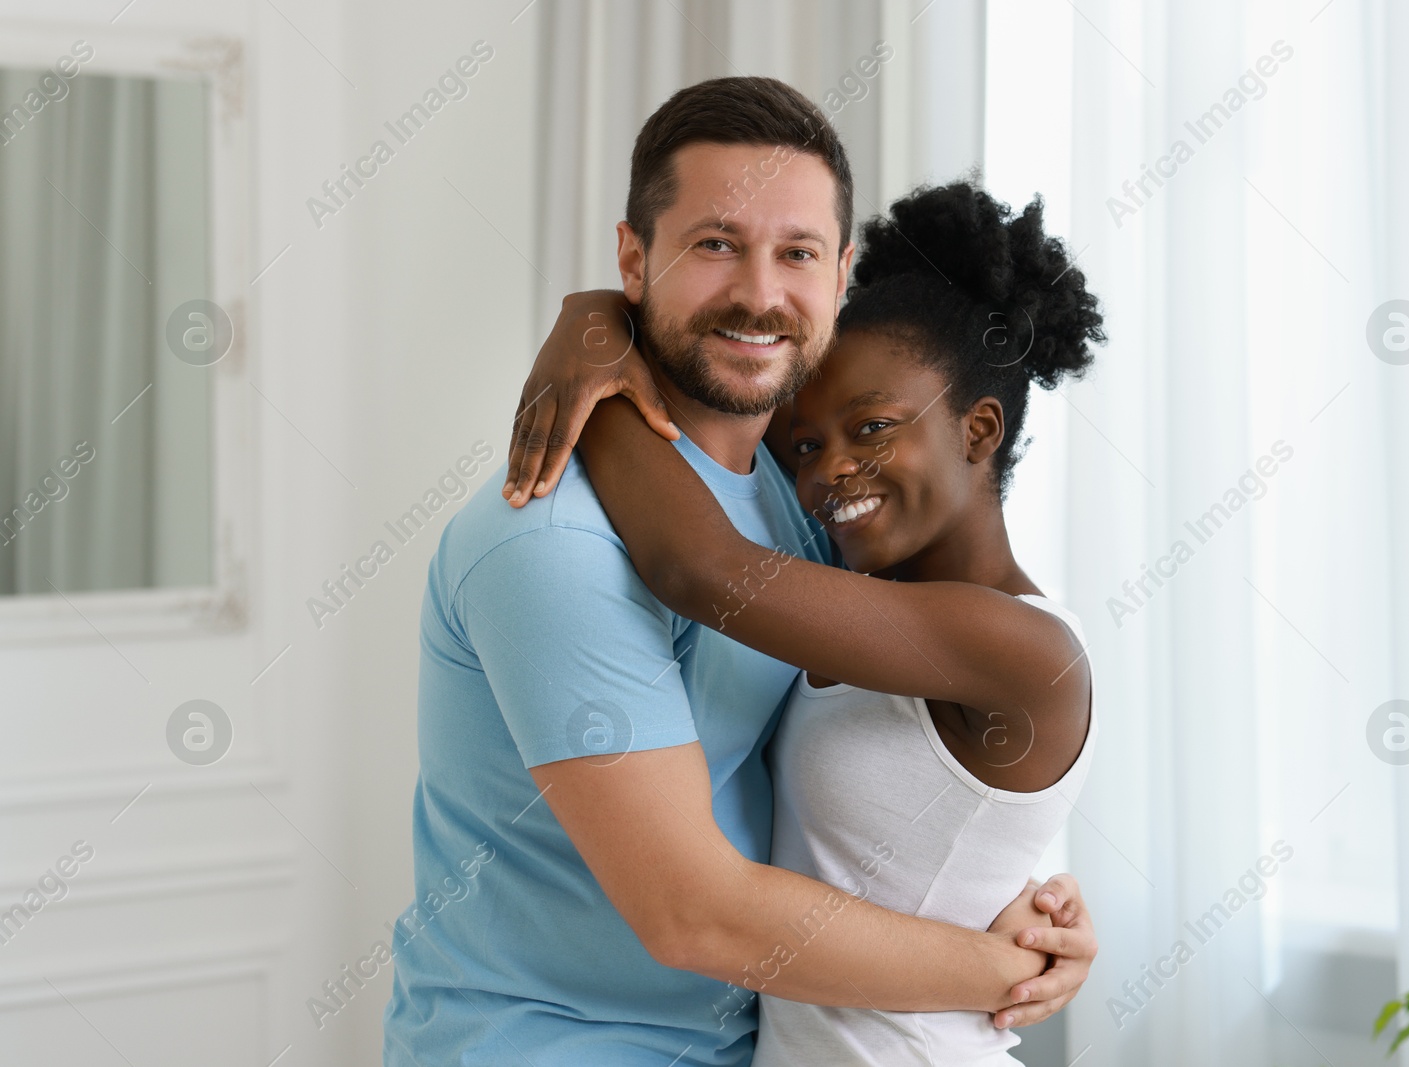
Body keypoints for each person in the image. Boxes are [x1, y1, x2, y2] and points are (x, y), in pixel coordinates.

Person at [382, 76, 1094, 1067]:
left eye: (795, 252)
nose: (759, 292)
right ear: (633, 257)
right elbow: (693, 915)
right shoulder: (550, 546)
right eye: (714, 243)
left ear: (839, 274)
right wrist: (997, 965)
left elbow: (943, 768)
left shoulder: (805, 513)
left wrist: (1030, 887)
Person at [565, 178, 1104, 1064]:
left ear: (977, 431)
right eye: (806, 446)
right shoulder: (859, 600)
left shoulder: (1028, 648)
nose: (831, 474)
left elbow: (702, 568)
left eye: (874, 427)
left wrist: (594, 348)